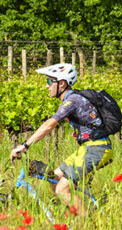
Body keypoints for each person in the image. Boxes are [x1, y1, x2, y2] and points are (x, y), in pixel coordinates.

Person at [10, 63, 113, 215]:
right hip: (86, 148)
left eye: (49, 81)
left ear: (62, 84)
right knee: (54, 180)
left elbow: (49, 125)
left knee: (62, 189)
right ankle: (70, 216)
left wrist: (25, 145)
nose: (47, 86)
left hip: (97, 149)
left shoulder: (72, 100)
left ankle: (87, 225)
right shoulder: (71, 99)